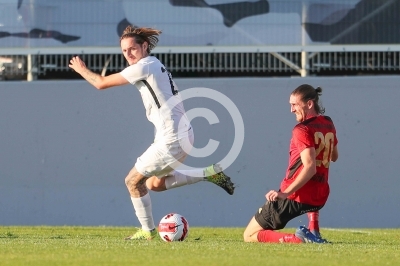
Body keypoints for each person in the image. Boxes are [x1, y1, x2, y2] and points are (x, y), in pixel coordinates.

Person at [69, 25, 235, 240]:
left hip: (172, 138)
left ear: (145, 46)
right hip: (184, 133)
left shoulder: (144, 66)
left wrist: (81, 68)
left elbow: (101, 83)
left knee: (132, 182)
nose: (128, 54)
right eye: (124, 51)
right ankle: (209, 172)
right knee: (153, 184)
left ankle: (148, 232)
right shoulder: (154, 64)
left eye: (132, 49)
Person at [243, 84, 338, 244]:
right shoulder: (328, 123)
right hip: (320, 196)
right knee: (310, 184)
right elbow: (334, 156)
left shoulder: (302, 129)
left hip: (296, 196)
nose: (291, 110)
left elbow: (310, 167)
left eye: (294, 105)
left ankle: (298, 240)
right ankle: (314, 230)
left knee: (249, 235)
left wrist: (285, 193)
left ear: (309, 104)